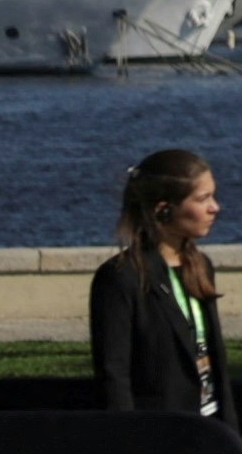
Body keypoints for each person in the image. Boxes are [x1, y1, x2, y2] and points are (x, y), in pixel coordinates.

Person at [93, 148, 227, 418]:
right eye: (203, 199)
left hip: (209, 427)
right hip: (159, 431)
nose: (215, 207)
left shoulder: (200, 266)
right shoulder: (121, 277)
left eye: (213, 196)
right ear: (164, 210)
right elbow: (114, 374)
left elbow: (215, 362)